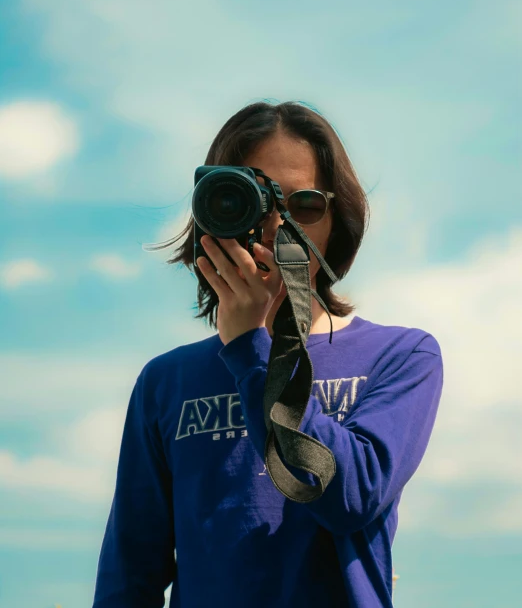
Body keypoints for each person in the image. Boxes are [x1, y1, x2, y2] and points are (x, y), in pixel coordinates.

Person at [92, 99, 443, 608]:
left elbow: (352, 495)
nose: (277, 224)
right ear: (212, 208)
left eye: (303, 205)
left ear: (337, 218)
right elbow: (130, 573)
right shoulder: (166, 382)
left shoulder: (401, 355)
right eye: (256, 199)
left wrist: (250, 349)